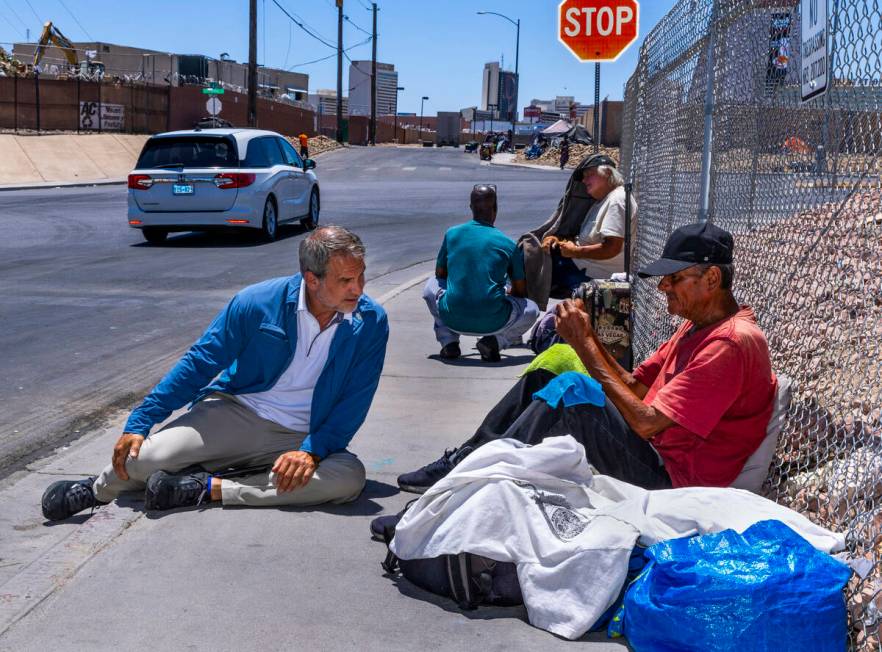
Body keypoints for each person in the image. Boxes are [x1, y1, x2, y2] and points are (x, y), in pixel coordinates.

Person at [397, 222, 777, 494]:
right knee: (556, 362)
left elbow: (646, 424)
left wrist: (586, 346)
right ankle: (467, 460)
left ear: (711, 279)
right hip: (655, 451)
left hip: (672, 477)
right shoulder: (697, 326)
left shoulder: (730, 344)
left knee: (572, 392)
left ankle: (469, 486)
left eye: (675, 278)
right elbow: (635, 387)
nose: (663, 286)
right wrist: (585, 338)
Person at [42, 226, 389, 521]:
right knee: (145, 458)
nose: (358, 289)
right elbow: (201, 361)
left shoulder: (371, 321)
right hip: (239, 414)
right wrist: (141, 421)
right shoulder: (257, 302)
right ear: (312, 279)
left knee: (347, 480)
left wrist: (313, 450)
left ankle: (208, 488)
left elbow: (355, 399)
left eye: (361, 276)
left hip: (304, 435)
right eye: (345, 280)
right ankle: (97, 490)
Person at [422, 184, 540, 362]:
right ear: (496, 209)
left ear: (471, 207)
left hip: (453, 317)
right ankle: (495, 342)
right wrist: (504, 291)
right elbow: (520, 292)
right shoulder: (508, 244)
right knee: (532, 309)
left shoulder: (452, 234)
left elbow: (440, 274)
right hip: (494, 321)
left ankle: (449, 342)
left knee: (431, 286)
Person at [541, 155, 637, 293]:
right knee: (530, 252)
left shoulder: (617, 200)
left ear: (608, 173)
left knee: (528, 261)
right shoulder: (602, 201)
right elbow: (586, 238)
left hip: (592, 274)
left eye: (589, 174)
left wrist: (574, 252)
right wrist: (558, 241)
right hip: (580, 264)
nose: (584, 180)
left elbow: (612, 248)